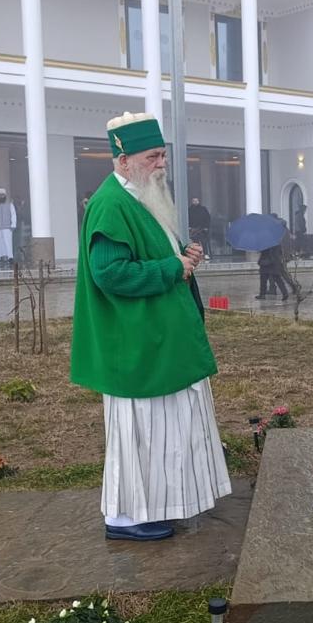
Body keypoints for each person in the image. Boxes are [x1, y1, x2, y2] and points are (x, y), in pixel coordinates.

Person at [71, 111, 230, 542]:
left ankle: (161, 504)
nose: (161, 164)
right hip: (134, 344)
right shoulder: (111, 204)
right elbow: (111, 273)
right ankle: (124, 517)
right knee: (138, 435)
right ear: (124, 160)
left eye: (163, 155)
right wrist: (171, 268)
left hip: (158, 340)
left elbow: (153, 251)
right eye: (152, 157)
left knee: (163, 433)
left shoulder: (140, 195)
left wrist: (183, 255)